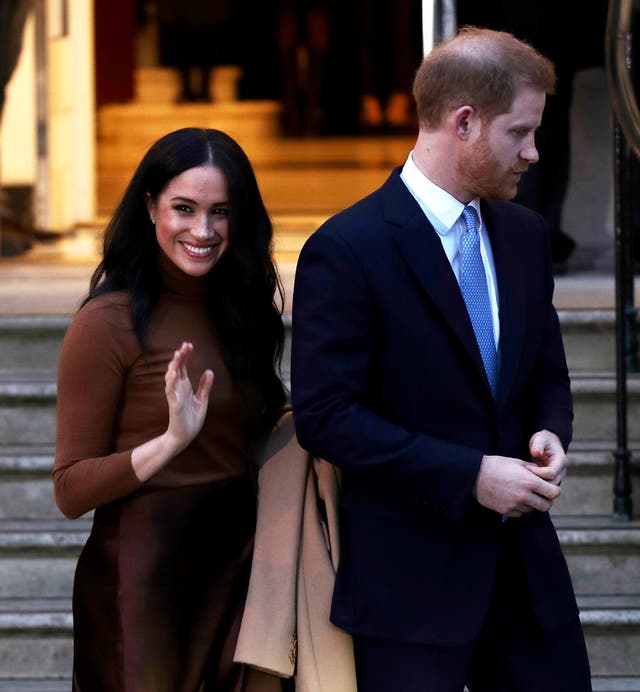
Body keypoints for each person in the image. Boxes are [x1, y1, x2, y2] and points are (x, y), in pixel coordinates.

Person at [291, 27, 591, 691]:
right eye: (520, 132)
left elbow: (546, 366)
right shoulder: (346, 248)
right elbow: (326, 416)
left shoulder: (525, 234)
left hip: (528, 584)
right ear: (465, 123)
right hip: (409, 594)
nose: (534, 152)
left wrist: (550, 429)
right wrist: (470, 476)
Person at [53, 127, 287, 691]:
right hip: (143, 580)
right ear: (151, 205)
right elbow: (69, 489)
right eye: (184, 208)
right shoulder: (106, 324)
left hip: (237, 569)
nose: (202, 231)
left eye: (220, 212)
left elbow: (261, 434)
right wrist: (170, 443)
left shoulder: (244, 313)